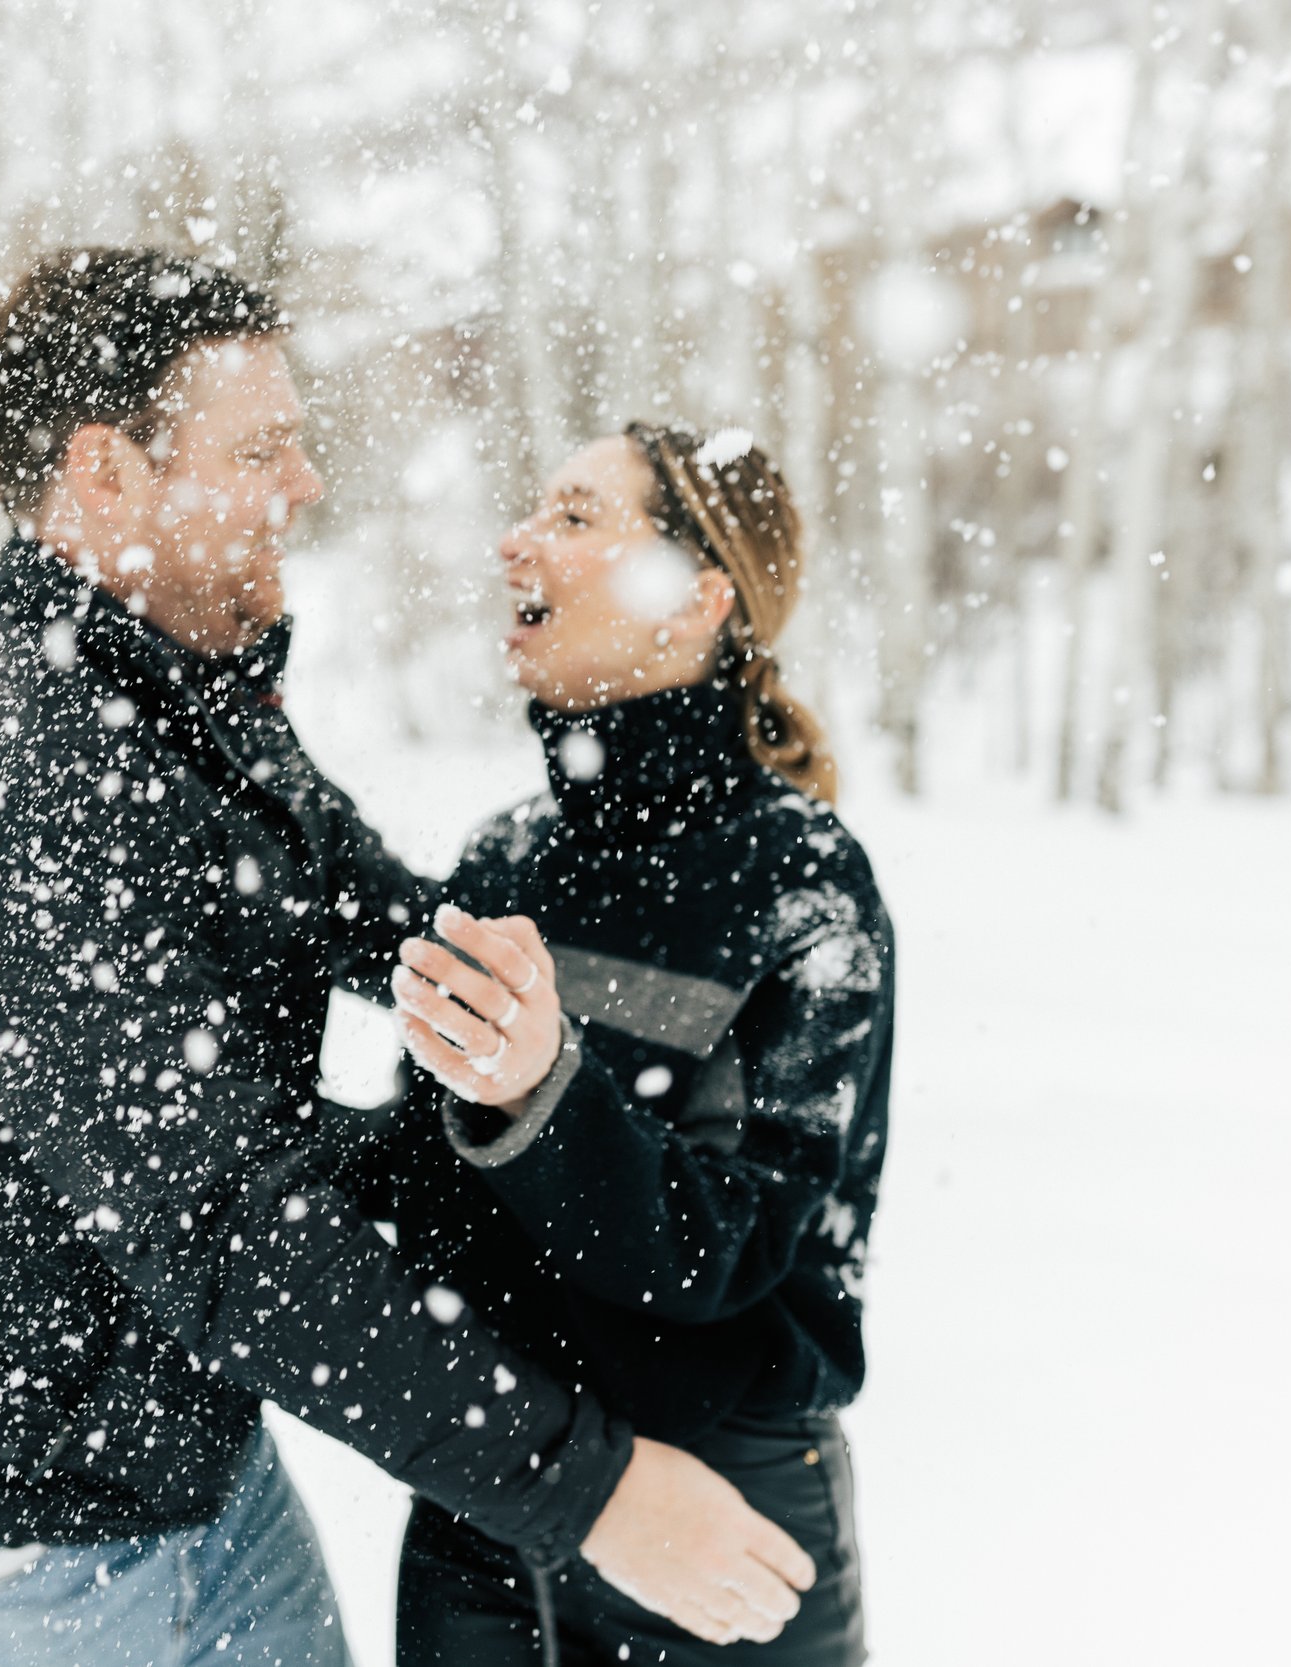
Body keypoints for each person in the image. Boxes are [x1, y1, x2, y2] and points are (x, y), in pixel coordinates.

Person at [0, 251, 816, 1667]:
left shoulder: (180, 701)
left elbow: (401, 931)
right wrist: (595, 1489)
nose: (305, 481)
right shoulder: (27, 782)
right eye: (260, 447)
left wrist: (661, 976)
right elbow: (239, 1231)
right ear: (108, 471)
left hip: (187, 1478)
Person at [370, 422, 894, 1665]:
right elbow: (423, 1185)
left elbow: (731, 1248)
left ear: (699, 596)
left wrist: (540, 1097)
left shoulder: (799, 884)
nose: (516, 540)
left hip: (722, 1517)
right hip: (495, 1490)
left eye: (573, 515)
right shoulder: (508, 854)